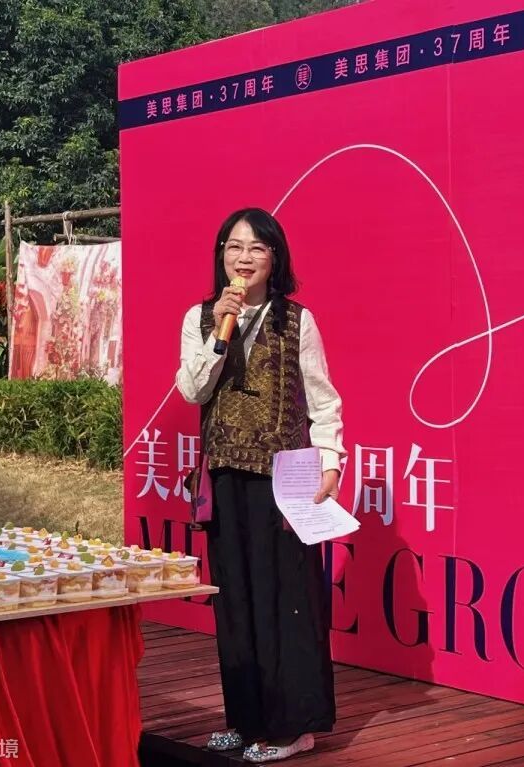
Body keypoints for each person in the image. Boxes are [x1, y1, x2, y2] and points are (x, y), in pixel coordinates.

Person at [175, 208, 344, 763]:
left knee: (286, 601)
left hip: (285, 479)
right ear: (221, 256)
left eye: (256, 248)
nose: (243, 258)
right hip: (225, 476)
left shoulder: (297, 321)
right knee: (236, 601)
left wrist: (332, 462)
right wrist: (218, 333)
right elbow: (193, 391)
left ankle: (295, 726)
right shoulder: (202, 317)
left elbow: (322, 399)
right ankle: (244, 719)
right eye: (233, 247)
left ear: (275, 258)